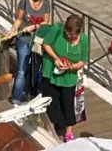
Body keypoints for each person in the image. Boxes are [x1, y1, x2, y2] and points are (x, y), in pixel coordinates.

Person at [41, 15, 88, 143]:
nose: (69, 36)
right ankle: (50, 130)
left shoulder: (83, 40)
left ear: (78, 32)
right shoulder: (57, 30)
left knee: (68, 104)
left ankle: (68, 133)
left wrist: (71, 67)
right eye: (67, 33)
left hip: (69, 76)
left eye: (73, 35)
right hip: (51, 72)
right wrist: (56, 58)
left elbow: (82, 61)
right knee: (51, 103)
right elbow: (46, 44)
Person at [7, 0, 51, 104]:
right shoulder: (24, 1)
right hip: (24, 39)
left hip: (38, 40)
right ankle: (16, 99)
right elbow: (19, 19)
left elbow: (46, 22)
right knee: (22, 70)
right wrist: (12, 31)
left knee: (37, 70)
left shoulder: (46, 3)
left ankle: (32, 95)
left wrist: (34, 27)